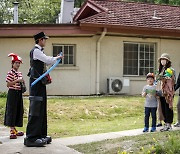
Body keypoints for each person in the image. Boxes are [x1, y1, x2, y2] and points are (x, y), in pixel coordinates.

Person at [24, 32, 63, 147]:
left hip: (40, 83)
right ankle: (31, 137)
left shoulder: (40, 51)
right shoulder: (36, 51)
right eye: (44, 39)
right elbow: (47, 60)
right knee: (36, 109)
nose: (45, 41)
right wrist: (57, 58)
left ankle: (41, 134)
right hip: (35, 84)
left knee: (42, 109)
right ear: (40, 40)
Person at [4, 53, 25, 139]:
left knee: (19, 110)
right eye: (16, 63)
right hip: (12, 93)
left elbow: (21, 81)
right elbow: (8, 84)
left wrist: (22, 82)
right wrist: (17, 80)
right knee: (12, 110)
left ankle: (15, 129)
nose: (18, 64)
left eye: (19, 63)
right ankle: (11, 129)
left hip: (19, 93)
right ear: (12, 64)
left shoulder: (19, 73)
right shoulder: (10, 73)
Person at [156, 53, 175, 131]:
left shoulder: (171, 70)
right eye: (161, 60)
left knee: (168, 107)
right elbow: (157, 80)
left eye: (164, 60)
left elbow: (173, 80)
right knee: (163, 107)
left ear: (167, 61)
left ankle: (169, 124)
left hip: (168, 92)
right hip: (161, 91)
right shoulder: (160, 70)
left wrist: (166, 79)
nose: (162, 61)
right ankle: (165, 123)